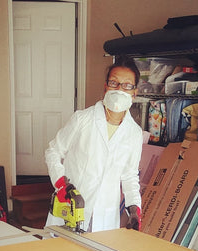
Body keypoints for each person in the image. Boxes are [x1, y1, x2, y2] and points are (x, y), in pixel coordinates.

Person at [45, 56, 143, 232]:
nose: (120, 89)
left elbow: (129, 175)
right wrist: (61, 183)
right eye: (114, 83)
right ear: (106, 86)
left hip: (105, 214)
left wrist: (134, 209)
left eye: (127, 85)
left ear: (135, 92)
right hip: (71, 204)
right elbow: (53, 151)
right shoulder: (82, 119)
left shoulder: (134, 133)